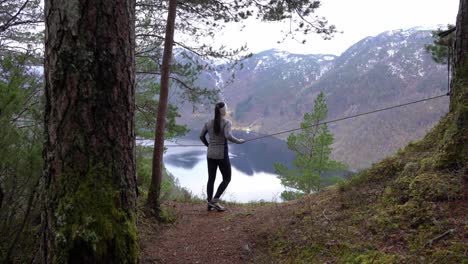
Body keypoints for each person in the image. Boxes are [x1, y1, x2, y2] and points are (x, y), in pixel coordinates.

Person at [200, 102, 244, 211]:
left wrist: (208, 145)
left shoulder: (208, 123)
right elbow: (227, 136)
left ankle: (209, 203)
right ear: (224, 111)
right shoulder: (226, 123)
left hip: (210, 154)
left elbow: (201, 136)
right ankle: (215, 200)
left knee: (211, 179)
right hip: (221, 155)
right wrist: (238, 141)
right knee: (227, 178)